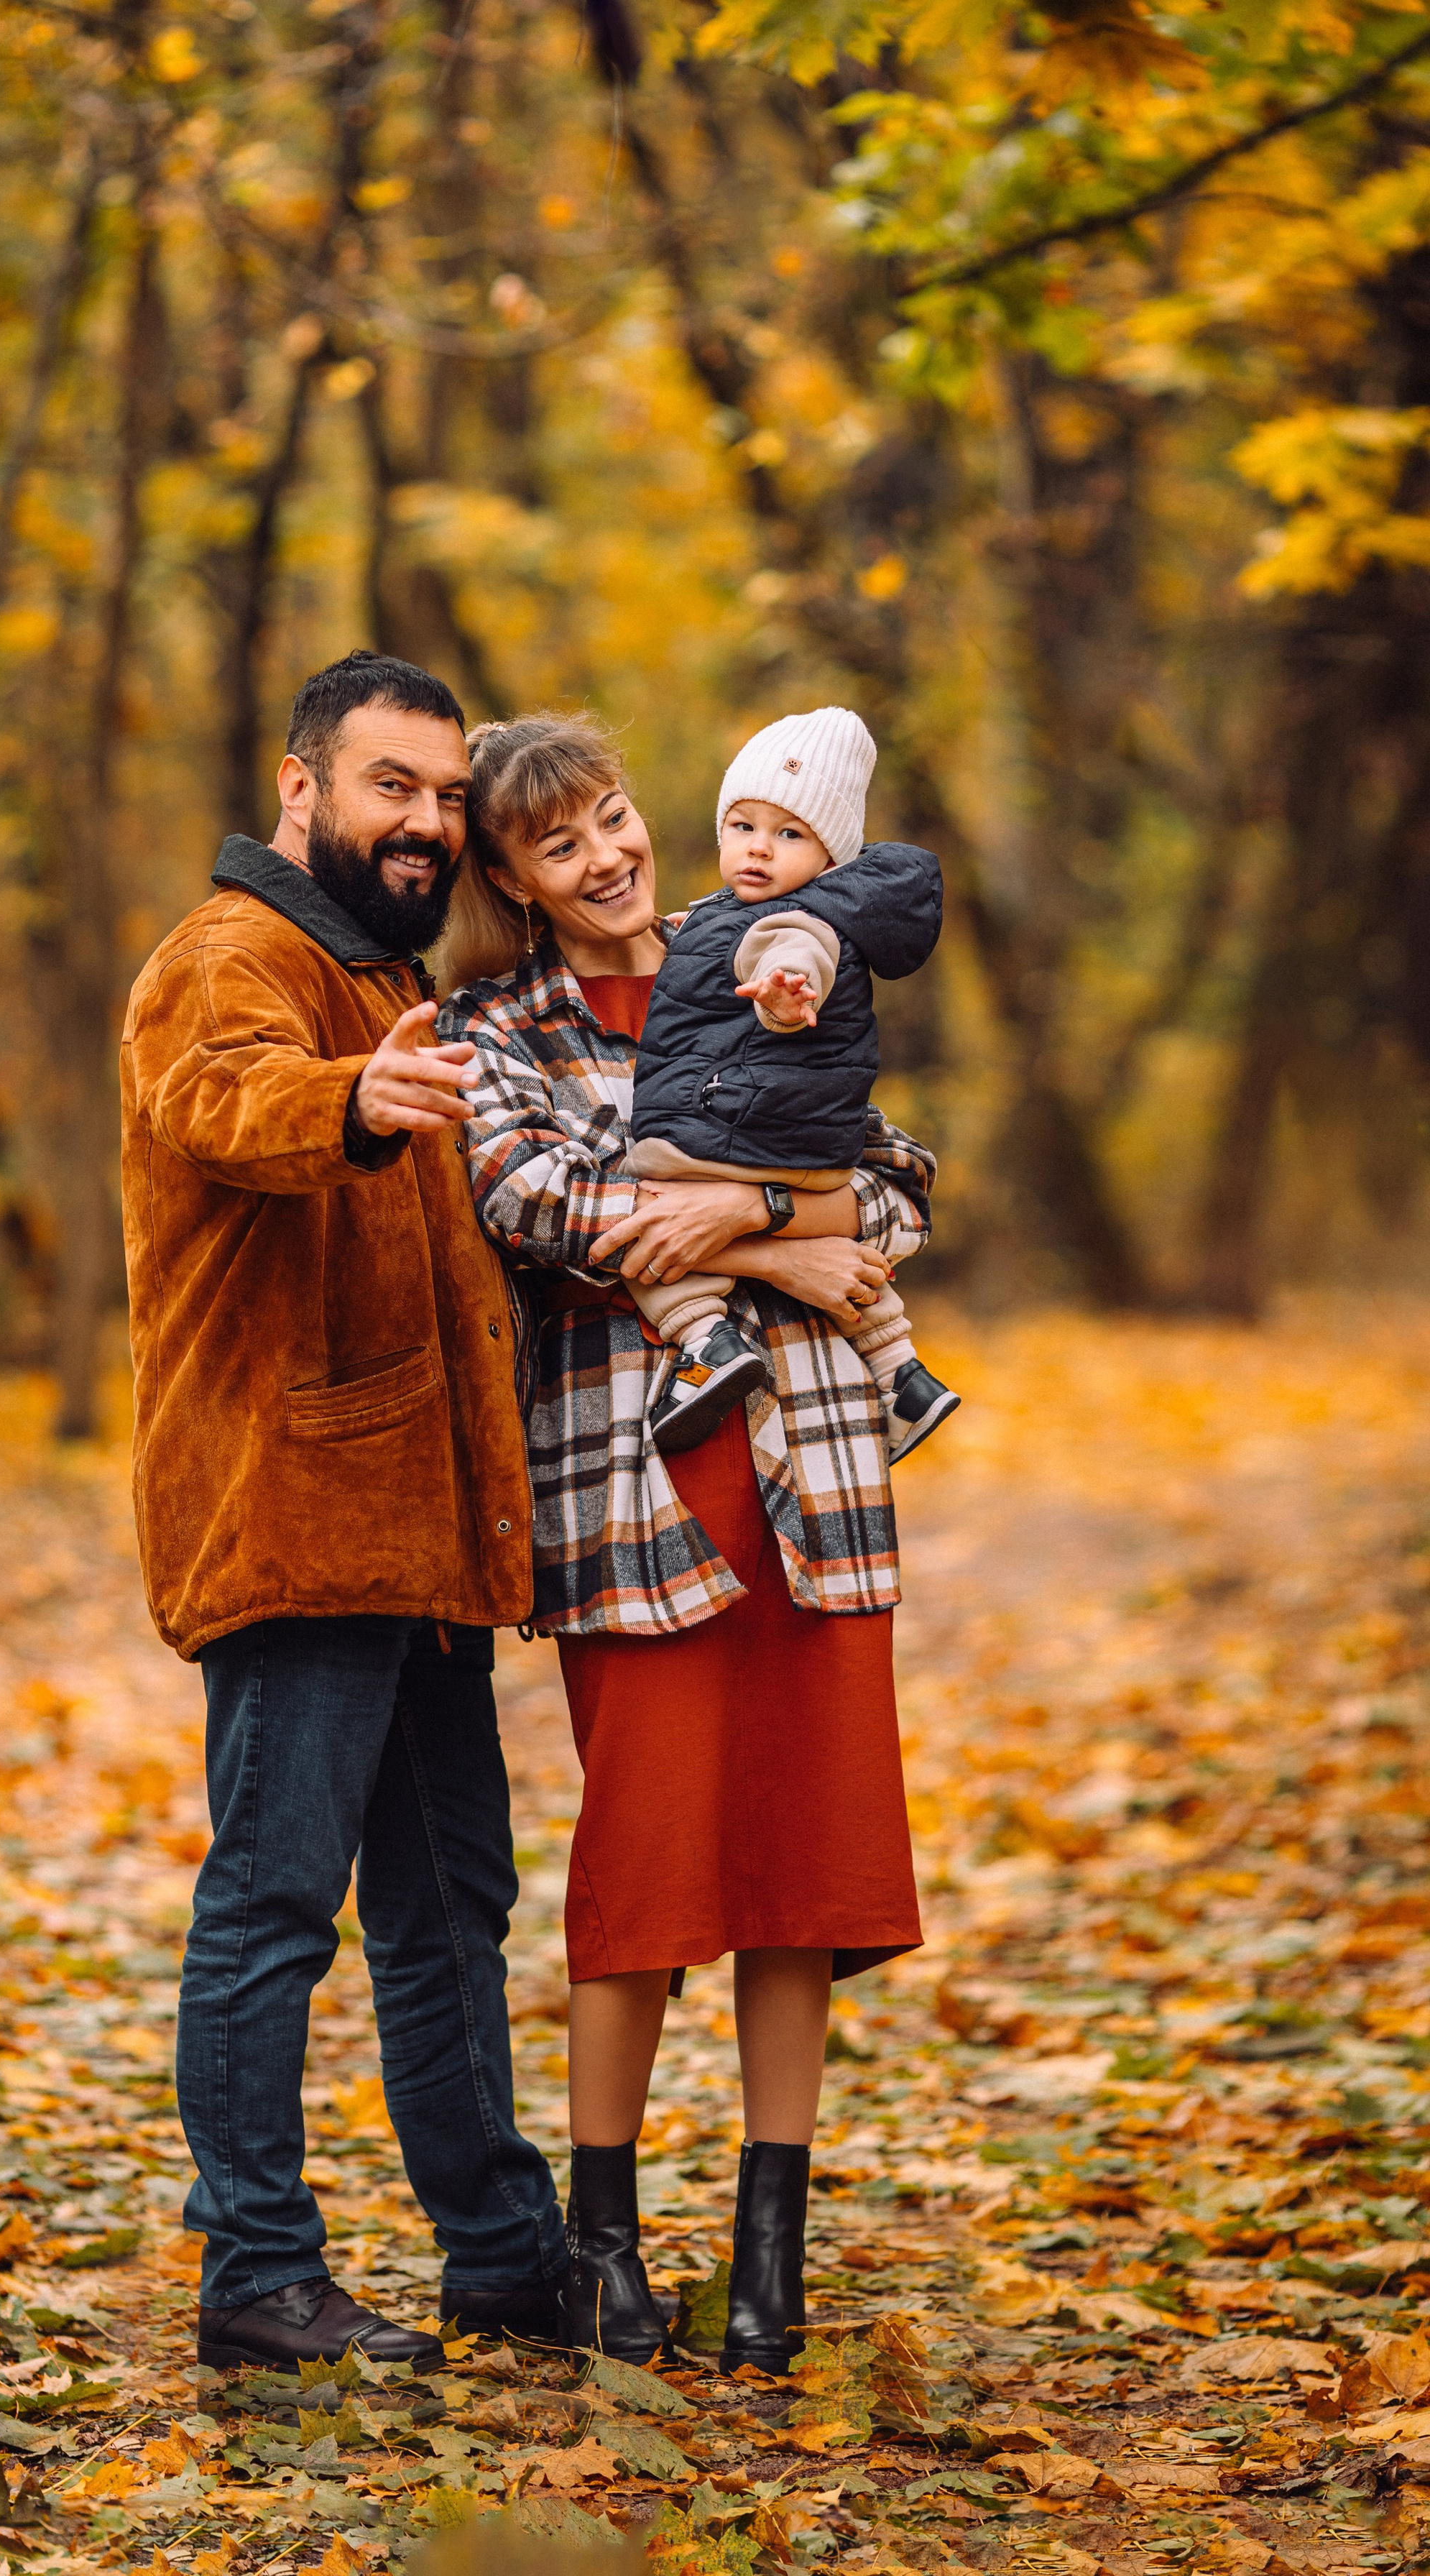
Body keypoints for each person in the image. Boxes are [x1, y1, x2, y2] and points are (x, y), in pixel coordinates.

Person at [436, 712, 929, 2378]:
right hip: (632, 1487)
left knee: (808, 1863)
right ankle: (600, 2242)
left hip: (812, 1466)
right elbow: (547, 1210)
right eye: (558, 843)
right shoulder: (491, 1026)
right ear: (506, 877)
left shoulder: (767, 943)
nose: (607, 857)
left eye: (615, 817)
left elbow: (897, 1183)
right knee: (643, 1869)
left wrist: (757, 1224)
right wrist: (787, 1242)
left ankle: (768, 2242)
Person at [121, 650, 566, 2376]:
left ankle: (503, 2254)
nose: (427, 823)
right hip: (295, 1518)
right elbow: (221, 1100)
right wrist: (354, 1103)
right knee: (273, 1904)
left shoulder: (383, 969)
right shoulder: (228, 961)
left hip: (421, 1537)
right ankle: (255, 2273)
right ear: (298, 787)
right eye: (393, 787)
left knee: (452, 1906)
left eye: (447, 797)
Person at [626, 705, 960, 1461]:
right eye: (742, 826)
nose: (757, 849)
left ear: (829, 856)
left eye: (788, 835)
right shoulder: (733, 915)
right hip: (813, 1158)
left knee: (650, 1217)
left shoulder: (800, 926)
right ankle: (901, 1372)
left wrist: (787, 995)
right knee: (853, 1279)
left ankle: (705, 1340)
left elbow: (789, 958)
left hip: (735, 1138)